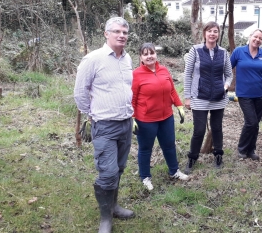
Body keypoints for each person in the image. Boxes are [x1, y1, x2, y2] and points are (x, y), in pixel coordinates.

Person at [74, 17, 135, 233]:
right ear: (106, 34)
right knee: (107, 172)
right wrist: (92, 114)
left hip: (126, 123)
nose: (121, 36)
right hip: (105, 125)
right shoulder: (93, 59)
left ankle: (114, 206)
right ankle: (105, 219)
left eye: (125, 32)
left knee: (118, 169)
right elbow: (80, 92)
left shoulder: (127, 59)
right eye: (117, 31)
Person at [132, 43, 189, 191]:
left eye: (151, 53)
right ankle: (145, 177)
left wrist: (179, 106)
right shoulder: (136, 74)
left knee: (169, 145)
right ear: (141, 57)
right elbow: (131, 98)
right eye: (145, 54)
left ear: (156, 54)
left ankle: (174, 171)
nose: (149, 56)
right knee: (145, 149)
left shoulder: (164, 70)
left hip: (166, 117)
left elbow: (172, 91)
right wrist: (131, 117)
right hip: (146, 120)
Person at [183, 21, 233, 173]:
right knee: (199, 130)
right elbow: (188, 74)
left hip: (219, 97)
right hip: (199, 96)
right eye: (210, 31)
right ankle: (192, 158)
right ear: (204, 34)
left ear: (218, 34)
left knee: (217, 128)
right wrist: (187, 97)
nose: (212, 34)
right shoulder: (195, 50)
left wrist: (225, 87)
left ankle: (218, 156)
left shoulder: (224, 53)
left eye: (215, 31)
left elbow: (229, 75)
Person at [230, 29, 262, 160]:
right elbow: (227, 68)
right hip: (244, 94)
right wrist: (224, 84)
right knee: (251, 122)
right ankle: (242, 148)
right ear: (250, 37)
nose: (257, 40)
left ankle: (251, 150)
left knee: (256, 123)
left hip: (260, 94)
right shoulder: (239, 51)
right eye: (255, 37)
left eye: (260, 38)